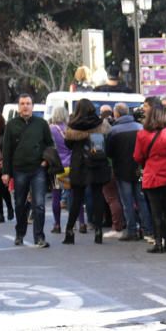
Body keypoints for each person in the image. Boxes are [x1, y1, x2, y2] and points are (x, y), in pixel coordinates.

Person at [2, 93, 54, 248]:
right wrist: (6, 172)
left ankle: (39, 237)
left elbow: (50, 144)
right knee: (19, 204)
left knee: (39, 204)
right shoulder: (11, 125)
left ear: (33, 106)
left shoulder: (41, 123)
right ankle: (20, 233)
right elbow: (7, 149)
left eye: (28, 103)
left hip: (38, 168)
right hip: (19, 170)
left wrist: (46, 161)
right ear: (19, 106)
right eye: (22, 103)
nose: (25, 106)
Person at [61, 99, 111, 244]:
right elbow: (106, 141)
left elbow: (68, 145)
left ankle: (70, 232)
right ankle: (98, 231)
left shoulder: (72, 126)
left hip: (79, 164)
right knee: (98, 196)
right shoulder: (101, 124)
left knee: (76, 198)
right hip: (97, 163)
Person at [134, 103, 166, 253]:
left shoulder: (142, 134)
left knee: (155, 211)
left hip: (151, 175)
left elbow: (137, 156)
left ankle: (158, 243)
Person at [107, 103, 151, 241]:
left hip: (122, 171)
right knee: (141, 198)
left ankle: (132, 230)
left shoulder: (113, 131)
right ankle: (147, 229)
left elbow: (109, 152)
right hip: (139, 169)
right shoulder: (140, 128)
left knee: (127, 200)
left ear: (117, 114)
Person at [48, 105, 71, 234]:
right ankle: (82, 223)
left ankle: (57, 224)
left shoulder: (50, 129)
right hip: (71, 166)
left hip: (56, 167)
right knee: (74, 195)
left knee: (56, 196)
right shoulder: (70, 129)